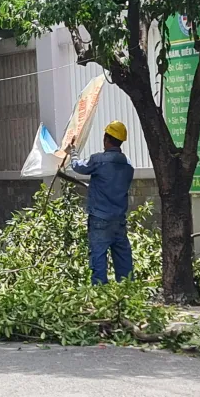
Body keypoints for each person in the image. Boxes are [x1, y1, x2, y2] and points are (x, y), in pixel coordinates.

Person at [70, 121, 135, 285]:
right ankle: (127, 293)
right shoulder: (128, 165)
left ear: (106, 138)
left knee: (98, 259)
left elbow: (78, 167)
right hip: (119, 221)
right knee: (123, 261)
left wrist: (73, 152)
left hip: (99, 219)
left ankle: (101, 296)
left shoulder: (98, 160)